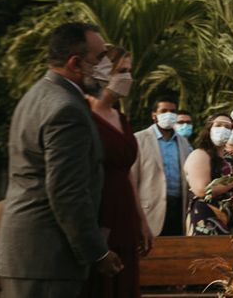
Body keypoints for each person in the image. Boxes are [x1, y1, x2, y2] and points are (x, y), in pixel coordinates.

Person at [0, 23, 123, 297]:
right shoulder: (66, 109)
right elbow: (67, 192)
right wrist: (98, 252)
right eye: (100, 57)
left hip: (29, 256)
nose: (107, 66)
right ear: (75, 63)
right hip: (48, 257)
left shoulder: (36, 96)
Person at [81, 46, 153, 298]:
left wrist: (141, 218)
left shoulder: (121, 118)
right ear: (103, 73)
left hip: (125, 213)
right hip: (100, 211)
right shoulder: (83, 115)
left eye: (129, 71)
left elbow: (127, 171)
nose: (127, 77)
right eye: (121, 71)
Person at [132, 96, 193, 236]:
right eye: (163, 111)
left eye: (172, 111)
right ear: (154, 115)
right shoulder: (139, 139)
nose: (169, 115)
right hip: (150, 210)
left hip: (178, 208)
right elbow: (132, 179)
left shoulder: (184, 143)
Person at [184, 114, 233, 235]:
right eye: (218, 125)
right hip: (207, 215)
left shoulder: (231, 158)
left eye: (227, 127)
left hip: (231, 216)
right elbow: (202, 190)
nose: (223, 129)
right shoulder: (200, 155)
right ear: (209, 128)